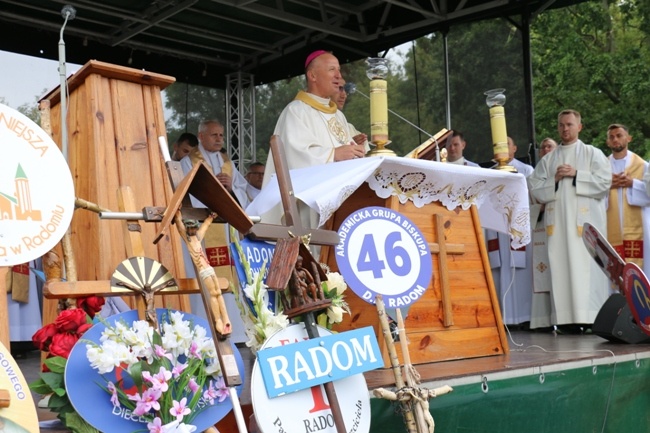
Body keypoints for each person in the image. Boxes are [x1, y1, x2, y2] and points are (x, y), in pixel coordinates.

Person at [528, 109, 611, 332]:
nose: (565, 129)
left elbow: (604, 183)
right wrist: (553, 179)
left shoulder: (593, 154)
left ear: (579, 127)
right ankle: (565, 321)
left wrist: (577, 174)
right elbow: (534, 187)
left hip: (584, 228)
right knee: (561, 268)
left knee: (586, 270)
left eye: (570, 124)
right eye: (562, 125)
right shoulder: (549, 160)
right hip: (558, 230)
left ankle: (591, 318)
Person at [263, 50, 367, 188]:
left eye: (339, 70)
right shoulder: (296, 111)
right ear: (313, 75)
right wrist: (334, 154)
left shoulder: (338, 115)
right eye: (332, 70)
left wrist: (356, 151)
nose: (338, 75)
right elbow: (295, 157)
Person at [486, 136, 534, 327]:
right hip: (498, 230)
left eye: (507, 144)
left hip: (518, 228)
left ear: (515, 148)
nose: (503, 148)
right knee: (501, 273)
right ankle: (503, 319)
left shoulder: (526, 171)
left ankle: (524, 318)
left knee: (521, 275)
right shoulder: (489, 174)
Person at [605, 123, 650, 278]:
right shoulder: (602, 167)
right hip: (610, 226)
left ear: (628, 138)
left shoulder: (643, 166)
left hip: (639, 228)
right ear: (607, 142)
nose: (615, 139)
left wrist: (632, 184)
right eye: (611, 137)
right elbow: (594, 195)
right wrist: (607, 186)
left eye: (619, 135)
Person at [180, 119, 249, 208]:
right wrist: (212, 186)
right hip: (201, 218)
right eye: (214, 135)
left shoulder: (229, 164)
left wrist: (231, 189)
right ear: (201, 136)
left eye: (221, 135)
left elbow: (242, 190)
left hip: (226, 218)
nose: (218, 139)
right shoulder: (188, 162)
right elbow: (185, 193)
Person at [529, 137, 557, 330]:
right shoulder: (534, 176)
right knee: (542, 271)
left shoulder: (563, 171)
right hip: (541, 227)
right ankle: (543, 321)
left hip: (560, 228)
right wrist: (539, 207)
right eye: (543, 147)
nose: (546, 149)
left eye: (550, 146)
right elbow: (527, 205)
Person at [330, 78, 367, 146]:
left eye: (346, 90)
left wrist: (356, 146)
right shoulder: (314, 120)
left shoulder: (352, 129)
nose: (344, 95)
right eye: (339, 88)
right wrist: (348, 145)